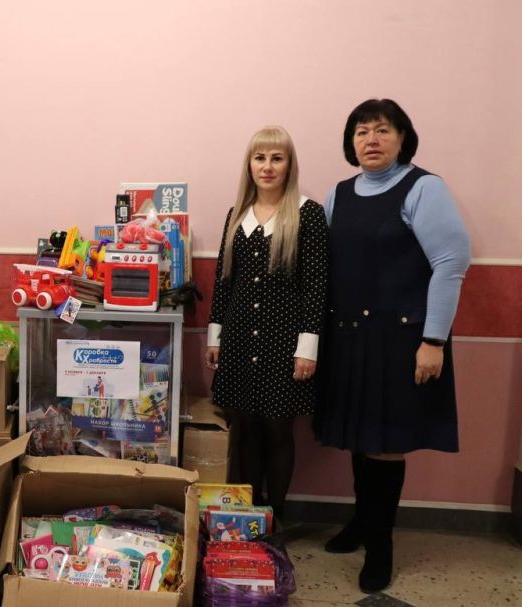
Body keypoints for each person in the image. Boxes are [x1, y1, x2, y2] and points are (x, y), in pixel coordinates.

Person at [314, 99, 470, 593]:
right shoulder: (339, 194)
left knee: (385, 445)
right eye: (362, 131)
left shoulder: (424, 187)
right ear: (351, 142)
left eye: (383, 130)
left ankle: (381, 544)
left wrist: (433, 340)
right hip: (349, 338)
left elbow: (451, 263)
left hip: (401, 340)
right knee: (361, 437)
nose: (371, 140)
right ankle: (363, 523)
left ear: (403, 139)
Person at [206, 125, 329, 527]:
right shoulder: (236, 215)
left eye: (277, 158)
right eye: (260, 158)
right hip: (239, 338)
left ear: (289, 164)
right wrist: (215, 337)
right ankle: (247, 516)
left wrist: (307, 348)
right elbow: (223, 281)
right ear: (250, 165)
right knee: (245, 428)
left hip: (284, 341)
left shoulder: (307, 214)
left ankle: (275, 517)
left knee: (277, 428)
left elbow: (316, 286)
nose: (268, 166)